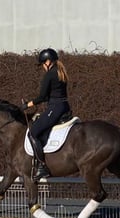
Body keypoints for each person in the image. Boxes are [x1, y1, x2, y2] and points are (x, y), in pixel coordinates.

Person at [21, 48, 71, 181]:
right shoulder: (61, 72)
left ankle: (42, 166)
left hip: (55, 108)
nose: (43, 67)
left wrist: (27, 105)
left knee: (33, 132)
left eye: (43, 63)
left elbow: (42, 97)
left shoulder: (50, 74)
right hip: (64, 106)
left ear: (48, 62)